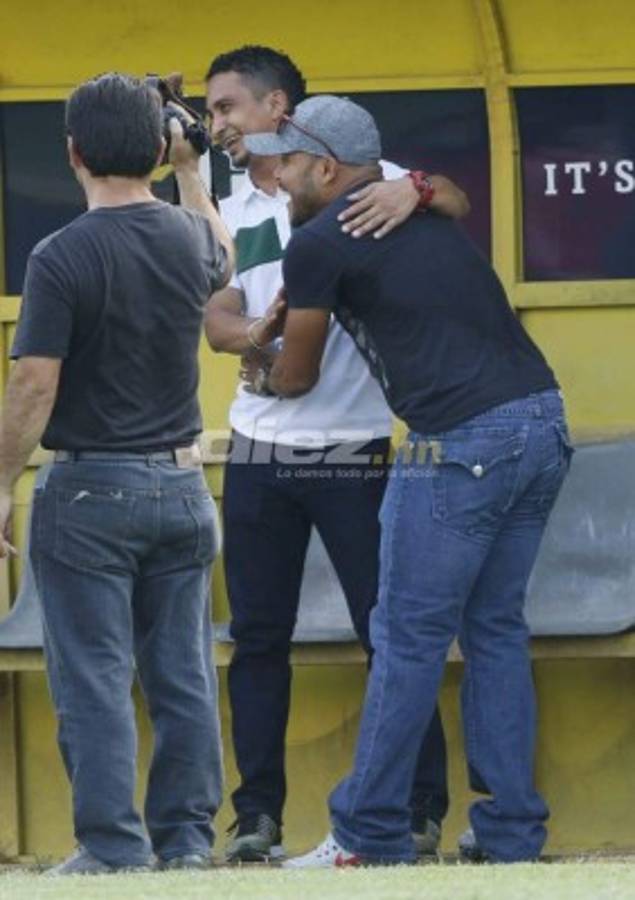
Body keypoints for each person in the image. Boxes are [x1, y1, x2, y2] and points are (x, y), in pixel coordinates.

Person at [242, 94, 572, 866]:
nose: (277, 175)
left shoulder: (318, 241)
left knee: (406, 637)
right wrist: (416, 187)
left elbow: (296, 377)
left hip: (459, 439)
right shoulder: (414, 203)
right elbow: (446, 200)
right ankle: (510, 834)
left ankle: (366, 833)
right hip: (541, 418)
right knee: (493, 631)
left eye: (286, 161)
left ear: (325, 166)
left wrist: (258, 359)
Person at [204, 45, 469, 862]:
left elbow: (455, 201)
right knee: (256, 640)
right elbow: (215, 306)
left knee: (386, 632)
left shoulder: (361, 170)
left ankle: (419, 812)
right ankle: (257, 821)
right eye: (211, 113)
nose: (215, 126)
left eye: (226, 109)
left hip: (352, 450)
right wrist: (246, 335)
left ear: (276, 107)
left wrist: (416, 186)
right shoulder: (233, 201)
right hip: (255, 451)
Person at [0, 73, 234, 875]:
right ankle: (187, 844)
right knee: (183, 675)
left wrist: (0, 483)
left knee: (95, 679)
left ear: (72, 153)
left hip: (88, 492)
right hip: (181, 489)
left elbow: (34, 383)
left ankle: (111, 847)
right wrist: (193, 170)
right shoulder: (188, 237)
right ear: (158, 148)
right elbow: (224, 257)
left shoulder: (61, 255)